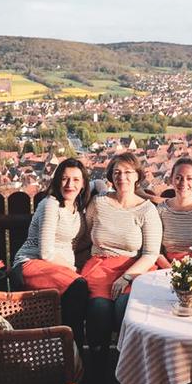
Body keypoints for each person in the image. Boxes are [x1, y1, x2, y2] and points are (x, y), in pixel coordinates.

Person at [81, 152, 163, 364]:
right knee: (99, 309)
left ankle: (129, 363)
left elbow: (151, 253)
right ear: (111, 176)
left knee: (124, 307)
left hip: (134, 269)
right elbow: (88, 233)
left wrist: (126, 277)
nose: (122, 177)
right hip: (100, 267)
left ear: (137, 176)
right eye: (117, 172)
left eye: (128, 172)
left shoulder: (147, 210)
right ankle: (98, 365)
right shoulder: (99, 203)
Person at [11, 158, 91, 349]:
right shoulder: (50, 205)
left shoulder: (77, 208)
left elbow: (99, 184)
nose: (70, 184)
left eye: (76, 180)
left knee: (77, 294)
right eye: (64, 179)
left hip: (56, 271)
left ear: (83, 184)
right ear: (57, 181)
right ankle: (75, 354)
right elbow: (46, 252)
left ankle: (68, 353)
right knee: (79, 287)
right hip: (30, 264)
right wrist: (73, 271)